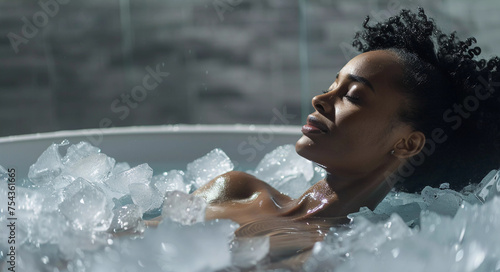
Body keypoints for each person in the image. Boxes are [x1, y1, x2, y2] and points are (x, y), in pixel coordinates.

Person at [192, 8, 500, 226]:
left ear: (407, 144)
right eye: (331, 86)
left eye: (352, 96)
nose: (319, 100)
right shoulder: (236, 188)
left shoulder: (350, 258)